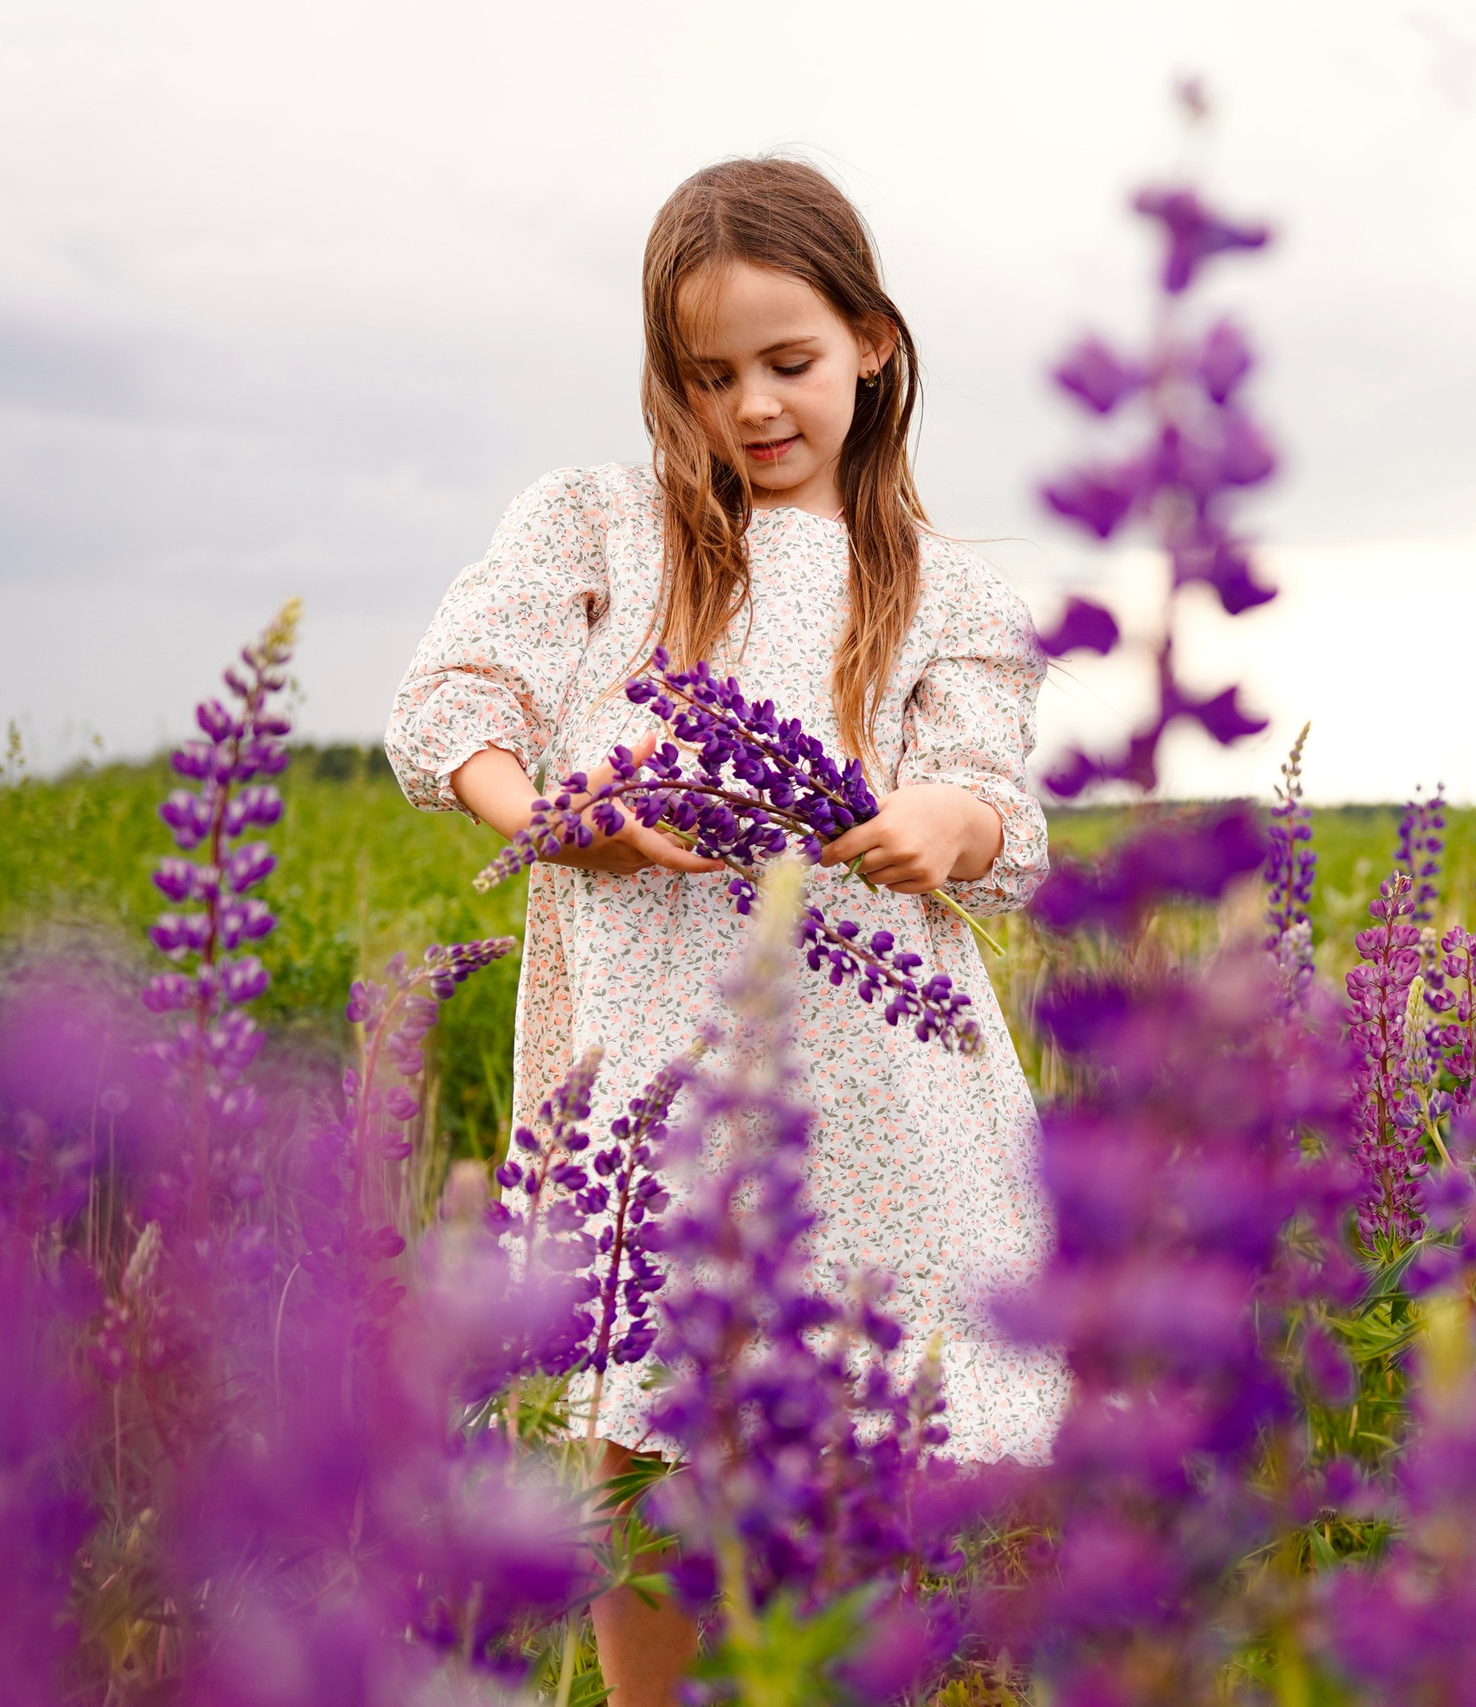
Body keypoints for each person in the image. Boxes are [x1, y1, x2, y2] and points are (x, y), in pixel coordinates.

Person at [384, 156, 1061, 1703]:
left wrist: (944, 823)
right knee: (649, 1408)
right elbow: (457, 700)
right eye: (708, 375)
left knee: (887, 1402)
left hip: (876, 1070)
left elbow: (994, 808)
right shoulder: (598, 530)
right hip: (655, 1057)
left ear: (873, 343)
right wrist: (545, 813)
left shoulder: (943, 591)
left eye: (788, 361)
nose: (752, 405)